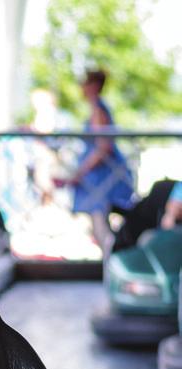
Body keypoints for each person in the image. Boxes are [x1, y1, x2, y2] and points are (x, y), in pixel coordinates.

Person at [57, 69, 134, 257]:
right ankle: (111, 262)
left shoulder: (99, 110)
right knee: (99, 223)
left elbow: (102, 147)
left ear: (93, 86)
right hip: (100, 174)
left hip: (102, 176)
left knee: (100, 223)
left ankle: (112, 262)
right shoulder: (98, 108)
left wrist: (79, 173)